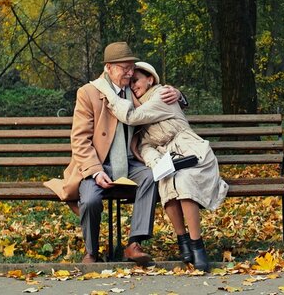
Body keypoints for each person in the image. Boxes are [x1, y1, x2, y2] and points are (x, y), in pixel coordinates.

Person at [44, 42, 184, 264]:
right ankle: (91, 252)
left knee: (150, 177)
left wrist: (178, 94)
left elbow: (161, 96)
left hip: (130, 163)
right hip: (97, 164)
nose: (130, 73)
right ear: (108, 68)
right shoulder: (88, 93)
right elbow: (80, 140)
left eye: (131, 67)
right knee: (89, 200)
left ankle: (134, 245)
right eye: (124, 68)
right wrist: (96, 171)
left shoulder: (136, 91)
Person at [91, 62, 229, 272]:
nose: (133, 84)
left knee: (182, 182)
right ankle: (183, 239)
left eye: (136, 79)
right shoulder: (141, 110)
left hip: (192, 153)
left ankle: (197, 245)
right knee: (166, 182)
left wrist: (109, 94)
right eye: (131, 81)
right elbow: (145, 147)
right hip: (170, 160)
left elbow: (131, 117)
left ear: (150, 79)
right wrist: (156, 163)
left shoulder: (162, 96)